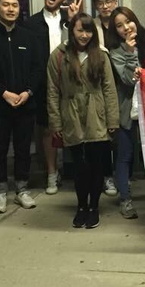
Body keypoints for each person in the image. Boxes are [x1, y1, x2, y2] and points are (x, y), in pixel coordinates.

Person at [47, 13, 119, 229]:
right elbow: (52, 90)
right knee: (79, 165)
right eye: (80, 30)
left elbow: (109, 89)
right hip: (71, 113)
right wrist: (55, 122)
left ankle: (94, 207)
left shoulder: (101, 55)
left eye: (88, 31)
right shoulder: (58, 55)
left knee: (96, 164)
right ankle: (81, 206)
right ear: (72, 31)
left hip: (97, 113)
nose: (84, 35)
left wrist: (112, 120)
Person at [0, 0, 42, 214]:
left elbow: (38, 68)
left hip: (25, 103)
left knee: (23, 148)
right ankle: (0, 192)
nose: (11, 9)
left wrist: (28, 92)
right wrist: (3, 93)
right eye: (6, 5)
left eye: (15, 5)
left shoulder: (29, 37)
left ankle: (22, 189)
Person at [24, 0, 81, 195]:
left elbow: (79, 45)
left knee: (74, 124)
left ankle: (75, 170)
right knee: (48, 128)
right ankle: (51, 173)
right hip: (44, 81)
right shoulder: (31, 23)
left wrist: (73, 20)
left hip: (70, 80)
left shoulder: (70, 21)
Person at [107, 6, 145, 219]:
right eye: (119, 25)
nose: (125, 27)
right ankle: (125, 199)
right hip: (126, 110)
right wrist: (130, 52)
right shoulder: (116, 51)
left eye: (128, 21)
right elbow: (129, 79)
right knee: (125, 155)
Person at [91, 0, 120, 197]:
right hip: (99, 84)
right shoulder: (92, 26)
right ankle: (105, 176)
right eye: (100, 3)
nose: (105, 6)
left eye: (108, 1)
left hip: (121, 83)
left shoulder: (122, 23)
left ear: (115, 2)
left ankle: (121, 176)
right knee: (103, 135)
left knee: (119, 134)